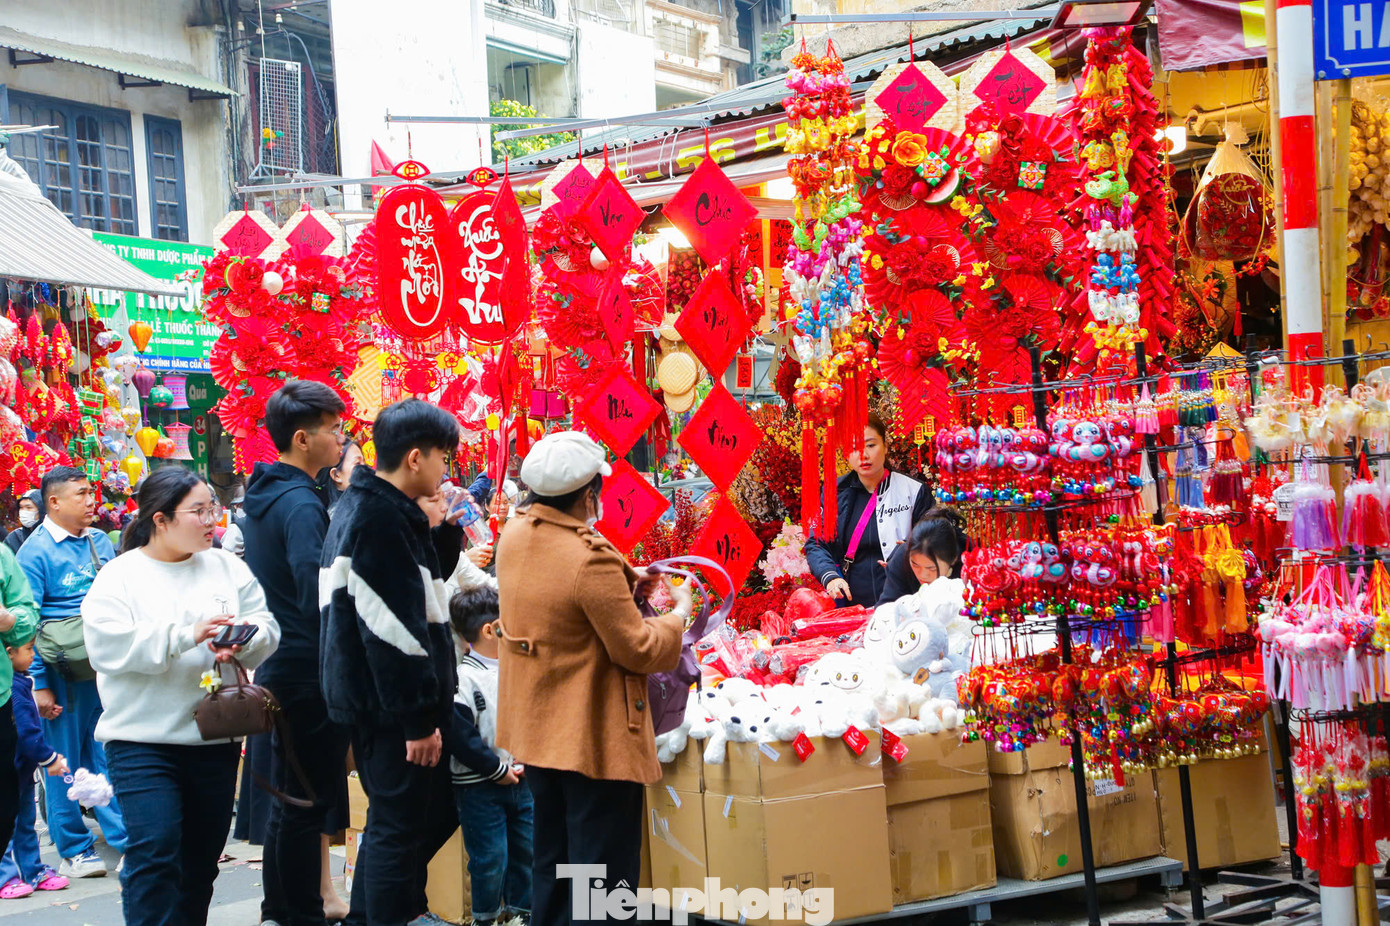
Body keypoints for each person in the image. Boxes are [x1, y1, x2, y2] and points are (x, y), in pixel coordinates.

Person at [493, 431, 690, 926]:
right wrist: (678, 617)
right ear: (587, 496)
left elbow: (561, 588)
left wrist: (625, 578)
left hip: (540, 732)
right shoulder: (589, 557)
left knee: (555, 864)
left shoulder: (515, 535)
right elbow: (637, 647)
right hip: (593, 737)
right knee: (601, 875)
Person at [83, 466, 281, 926]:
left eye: (212, 507)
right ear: (160, 519)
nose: (212, 519)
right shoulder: (120, 577)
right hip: (141, 740)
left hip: (214, 740)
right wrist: (184, 636)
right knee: (155, 850)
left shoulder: (227, 567)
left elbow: (267, 627)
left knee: (200, 860)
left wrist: (243, 638)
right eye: (198, 511)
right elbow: (107, 647)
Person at [320, 398, 465, 926]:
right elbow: (391, 632)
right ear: (415, 457)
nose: (445, 469)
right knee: (396, 828)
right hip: (387, 707)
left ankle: (384, 914)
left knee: (400, 824)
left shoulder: (372, 507)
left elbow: (418, 587)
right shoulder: (378, 515)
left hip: (375, 701)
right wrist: (417, 720)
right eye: (443, 458)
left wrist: (442, 530)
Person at [241, 380, 351, 926]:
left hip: (281, 661)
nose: (341, 438)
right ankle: (300, 913)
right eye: (334, 429)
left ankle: (279, 910)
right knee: (307, 805)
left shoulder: (266, 495)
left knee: (291, 801)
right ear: (303, 438)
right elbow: (318, 593)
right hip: (309, 667)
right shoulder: (302, 504)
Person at [16, 466, 125, 877]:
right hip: (59, 676)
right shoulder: (34, 552)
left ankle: (124, 838)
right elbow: (28, 623)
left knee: (108, 753)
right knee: (63, 762)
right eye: (81, 494)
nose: (91, 500)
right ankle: (75, 847)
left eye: (91, 492)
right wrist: (40, 685)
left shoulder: (99, 541)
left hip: (103, 669)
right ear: (55, 502)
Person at [445, 587, 532, 926]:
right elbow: (460, 735)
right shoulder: (463, 678)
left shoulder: (518, 668)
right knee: (490, 857)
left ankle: (522, 913)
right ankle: (486, 916)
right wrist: (496, 769)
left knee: (527, 850)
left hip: (522, 779)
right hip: (479, 786)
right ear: (490, 629)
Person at [805, 416, 932, 609]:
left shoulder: (913, 491)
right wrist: (830, 577)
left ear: (885, 446)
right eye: (853, 448)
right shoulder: (833, 494)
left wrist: (911, 550)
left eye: (871, 445)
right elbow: (816, 544)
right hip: (854, 606)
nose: (863, 454)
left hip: (907, 603)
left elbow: (935, 540)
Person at [0, 630, 71, 899]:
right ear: (9, 654)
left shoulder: (20, 682)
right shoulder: (10, 690)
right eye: (29, 649)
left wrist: (43, 710)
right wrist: (50, 758)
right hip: (11, 771)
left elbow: (29, 722)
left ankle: (33, 870)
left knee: (26, 823)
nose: (33, 655)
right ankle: (5, 877)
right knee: (8, 824)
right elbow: (27, 735)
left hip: (23, 773)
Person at [0, 545, 39, 865]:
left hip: (1, 699)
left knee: (7, 807)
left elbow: (28, 615)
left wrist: (9, 619)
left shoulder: (1, 556)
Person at [876, 509, 969, 606]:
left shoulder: (971, 564)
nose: (923, 575)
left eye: (931, 568)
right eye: (915, 564)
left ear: (953, 558)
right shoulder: (902, 558)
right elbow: (885, 608)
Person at [317, 440, 365, 514]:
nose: (365, 468)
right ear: (336, 475)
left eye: (364, 462)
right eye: (357, 463)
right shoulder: (342, 516)